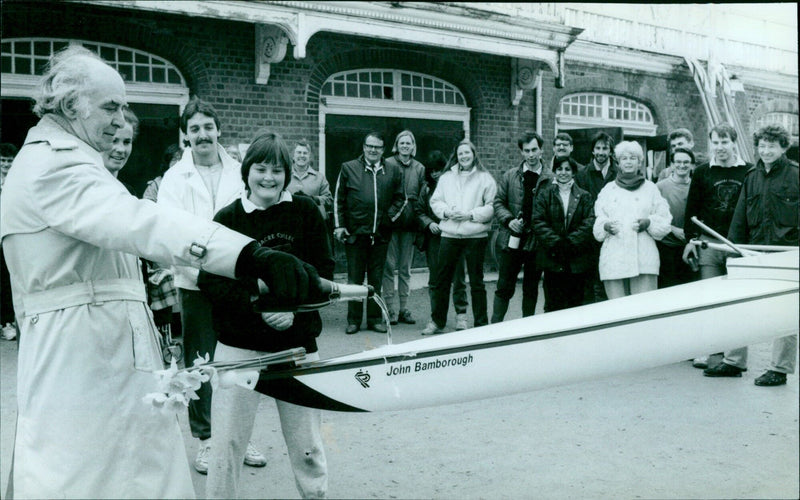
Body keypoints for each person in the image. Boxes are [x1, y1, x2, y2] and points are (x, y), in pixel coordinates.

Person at [0, 45, 319, 499]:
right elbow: (142, 221)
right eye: (111, 106)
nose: (122, 118)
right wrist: (250, 255)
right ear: (72, 105)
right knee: (83, 474)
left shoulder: (66, 158)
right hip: (83, 356)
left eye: (124, 105)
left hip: (97, 351)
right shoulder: (56, 166)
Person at [199, 130, 332, 499]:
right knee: (226, 447)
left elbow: (325, 276)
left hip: (297, 348)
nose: (269, 178)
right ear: (247, 172)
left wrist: (293, 313)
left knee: (309, 449)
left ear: (288, 173)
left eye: (277, 170)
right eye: (261, 169)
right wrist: (261, 307)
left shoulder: (305, 212)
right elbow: (210, 282)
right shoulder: (227, 217)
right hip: (238, 350)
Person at [157, 98, 266, 474]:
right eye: (194, 129)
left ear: (218, 129)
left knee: (240, 359)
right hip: (194, 280)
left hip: (235, 280)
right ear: (185, 136)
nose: (202, 135)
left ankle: (240, 434)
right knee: (200, 362)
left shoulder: (240, 172)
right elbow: (169, 225)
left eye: (208, 127)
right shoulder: (175, 179)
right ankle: (205, 439)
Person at [704, 125, 798, 386]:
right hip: (753, 251)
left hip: (787, 255)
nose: (766, 151)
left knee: (785, 311)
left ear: (783, 147)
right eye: (762, 145)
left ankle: (779, 369)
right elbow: (740, 217)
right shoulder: (752, 176)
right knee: (741, 306)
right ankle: (734, 361)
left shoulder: (795, 176)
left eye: (772, 146)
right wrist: (734, 251)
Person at [682, 124, 751, 369]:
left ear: (733, 142)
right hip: (709, 244)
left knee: (737, 303)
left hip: (738, 245)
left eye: (724, 142)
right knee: (709, 300)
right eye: (716, 142)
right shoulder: (702, 173)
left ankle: (736, 358)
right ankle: (710, 351)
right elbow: (692, 210)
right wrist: (691, 240)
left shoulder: (749, 171)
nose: (720, 147)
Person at [422, 139, 496, 334]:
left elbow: (490, 207)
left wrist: (470, 215)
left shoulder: (485, 178)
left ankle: (481, 323)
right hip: (450, 235)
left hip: (475, 236)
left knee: (477, 282)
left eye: (467, 153)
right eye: (461, 153)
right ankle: (437, 322)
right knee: (442, 280)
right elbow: (436, 201)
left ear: (474, 154)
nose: (464, 156)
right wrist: (446, 213)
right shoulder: (446, 177)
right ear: (456, 156)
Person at [333, 131, 404, 334]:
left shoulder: (393, 170)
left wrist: (387, 219)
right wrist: (339, 225)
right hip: (355, 234)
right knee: (354, 280)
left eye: (377, 147)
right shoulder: (348, 168)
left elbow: (401, 198)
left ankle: (374, 319)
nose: (373, 150)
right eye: (369, 146)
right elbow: (339, 198)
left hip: (380, 236)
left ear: (383, 150)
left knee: (376, 280)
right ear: (364, 147)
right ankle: (354, 320)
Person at [592, 141, 672, 299]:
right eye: (624, 158)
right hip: (614, 257)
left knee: (643, 308)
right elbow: (598, 221)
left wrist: (649, 223)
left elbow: (665, 219)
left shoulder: (650, 188)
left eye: (633, 158)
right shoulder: (608, 190)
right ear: (618, 162)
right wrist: (606, 226)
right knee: (617, 309)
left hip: (644, 258)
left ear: (640, 162)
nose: (628, 162)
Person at [491, 131, 553, 323]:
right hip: (513, 238)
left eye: (535, 149)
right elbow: (498, 202)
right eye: (527, 151)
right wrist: (509, 221)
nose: (531, 154)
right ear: (522, 153)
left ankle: (526, 328)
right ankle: (494, 327)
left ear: (541, 150)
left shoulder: (550, 178)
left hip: (536, 241)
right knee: (504, 286)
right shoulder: (510, 176)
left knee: (531, 287)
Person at [532, 157, 596, 311]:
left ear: (573, 172)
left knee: (575, 304)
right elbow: (538, 221)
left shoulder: (585, 196)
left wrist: (571, 242)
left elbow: (589, 221)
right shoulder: (544, 195)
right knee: (553, 305)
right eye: (560, 169)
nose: (563, 172)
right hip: (552, 258)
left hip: (577, 259)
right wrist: (557, 243)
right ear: (554, 171)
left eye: (567, 169)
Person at [417, 150, 470, 330]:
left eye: (438, 169)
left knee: (458, 277)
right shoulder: (425, 189)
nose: (435, 174)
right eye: (431, 171)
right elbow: (419, 211)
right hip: (435, 239)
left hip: (456, 237)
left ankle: (461, 316)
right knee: (436, 279)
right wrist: (429, 223)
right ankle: (436, 319)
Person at [382, 130, 426, 325]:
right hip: (391, 223)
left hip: (409, 224)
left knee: (405, 268)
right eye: (402, 143)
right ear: (397, 145)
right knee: (389, 266)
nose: (405, 146)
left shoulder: (420, 168)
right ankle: (389, 308)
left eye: (409, 143)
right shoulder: (388, 163)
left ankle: (404, 308)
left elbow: (423, 195)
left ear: (413, 146)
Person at [575, 131, 618, 304]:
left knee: (611, 281)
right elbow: (580, 208)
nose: (601, 152)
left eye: (605, 148)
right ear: (592, 151)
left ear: (610, 151)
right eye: (597, 148)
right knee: (590, 283)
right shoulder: (582, 176)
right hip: (589, 237)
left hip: (614, 234)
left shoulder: (619, 173)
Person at [655, 147, 696, 288]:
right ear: (672, 164)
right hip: (666, 247)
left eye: (686, 162)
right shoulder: (659, 187)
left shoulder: (697, 186)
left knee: (689, 287)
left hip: (690, 246)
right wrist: (672, 229)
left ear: (692, 165)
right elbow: (652, 216)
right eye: (678, 162)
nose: (682, 165)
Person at [286, 139, 333, 223]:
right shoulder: (285, 176)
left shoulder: (319, 177)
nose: (302, 155)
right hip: (289, 221)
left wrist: (313, 199)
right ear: (293, 155)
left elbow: (329, 200)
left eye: (305, 153)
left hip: (313, 223)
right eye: (299, 152)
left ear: (309, 157)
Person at [1, 143, 19, 341]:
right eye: (3, 161)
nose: (6, 164)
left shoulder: (16, 180)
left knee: (7, 279)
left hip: (8, 233)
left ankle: (8, 322)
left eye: (9, 161)